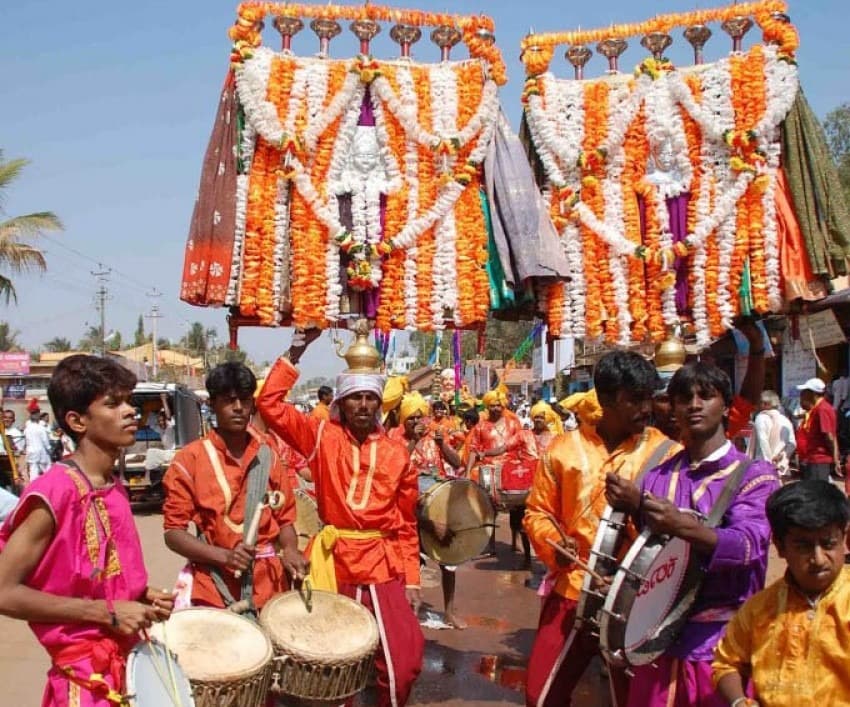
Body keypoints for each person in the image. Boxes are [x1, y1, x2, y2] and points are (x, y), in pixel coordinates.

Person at [256, 328, 424, 707]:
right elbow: (269, 402)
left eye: (370, 398)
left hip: (382, 565)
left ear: (379, 404)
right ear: (342, 403)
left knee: (404, 663)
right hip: (333, 562)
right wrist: (298, 348)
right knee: (333, 665)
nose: (363, 405)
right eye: (355, 398)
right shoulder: (320, 436)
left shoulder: (398, 453)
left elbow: (406, 524)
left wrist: (412, 579)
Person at [0, 354, 175, 705]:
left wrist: (137, 596)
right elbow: (4, 592)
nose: (130, 411)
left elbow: (90, 578)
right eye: (113, 404)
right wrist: (107, 612)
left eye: (128, 401)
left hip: (125, 667)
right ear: (77, 421)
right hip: (83, 684)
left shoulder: (112, 485)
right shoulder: (55, 491)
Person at [607, 361, 779, 707]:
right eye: (684, 398)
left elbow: (748, 547)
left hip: (722, 649)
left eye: (706, 396)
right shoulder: (658, 476)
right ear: (673, 409)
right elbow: (649, 554)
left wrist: (680, 525)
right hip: (656, 640)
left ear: (727, 406)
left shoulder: (754, 477)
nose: (695, 405)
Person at [523, 351, 679, 707]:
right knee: (541, 694)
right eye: (634, 400)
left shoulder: (666, 452)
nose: (646, 409)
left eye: (648, 399)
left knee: (634, 699)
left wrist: (640, 504)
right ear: (607, 399)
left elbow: (678, 524)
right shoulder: (563, 450)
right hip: (573, 590)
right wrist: (553, 543)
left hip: (637, 599)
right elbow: (537, 512)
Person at [163, 362, 305, 614]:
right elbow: (173, 533)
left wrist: (291, 550)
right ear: (212, 404)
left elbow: (285, 521)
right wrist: (224, 556)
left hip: (270, 587)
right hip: (213, 587)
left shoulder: (269, 456)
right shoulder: (190, 459)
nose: (238, 408)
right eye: (229, 401)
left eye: (245, 400)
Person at [712, 480, 850, 706]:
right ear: (780, 546)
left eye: (828, 543)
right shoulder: (759, 609)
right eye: (803, 546)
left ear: (844, 538)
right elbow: (726, 662)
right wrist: (738, 701)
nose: (818, 559)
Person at [392, 392, 468, 629]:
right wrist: (412, 441)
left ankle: (449, 612)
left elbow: (457, 463)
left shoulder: (436, 433)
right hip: (408, 507)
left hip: (437, 501)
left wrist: (441, 444)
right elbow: (394, 467)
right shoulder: (393, 437)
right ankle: (407, 611)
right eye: (411, 419)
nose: (417, 422)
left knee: (448, 558)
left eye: (419, 418)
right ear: (403, 420)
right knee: (408, 561)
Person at [795, 377, 839, 482]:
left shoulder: (822, 409)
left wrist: (835, 458)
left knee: (817, 492)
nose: (803, 394)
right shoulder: (816, 409)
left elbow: (829, 436)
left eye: (805, 392)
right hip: (813, 458)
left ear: (813, 394)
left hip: (819, 459)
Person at [748, 390, 796, 476]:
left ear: (764, 404)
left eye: (759, 402)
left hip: (763, 467)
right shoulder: (785, 420)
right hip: (780, 466)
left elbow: (763, 441)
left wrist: (768, 463)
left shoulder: (761, 418)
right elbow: (792, 444)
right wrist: (783, 455)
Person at [24, 398, 52, 482]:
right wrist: (50, 450)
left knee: (33, 471)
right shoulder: (40, 428)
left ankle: (33, 486)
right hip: (41, 452)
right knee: (47, 470)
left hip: (31, 452)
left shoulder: (27, 427)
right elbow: (45, 442)